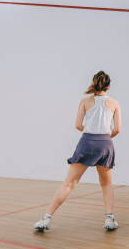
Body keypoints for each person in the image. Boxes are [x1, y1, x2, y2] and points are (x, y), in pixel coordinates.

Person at [34, 71, 122, 231]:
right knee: (107, 184)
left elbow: (77, 125)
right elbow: (117, 129)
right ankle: (109, 219)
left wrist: (90, 132)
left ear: (93, 84)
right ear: (108, 86)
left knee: (69, 184)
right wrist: (103, 138)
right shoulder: (115, 103)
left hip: (87, 141)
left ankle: (46, 218)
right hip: (106, 143)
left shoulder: (84, 101)